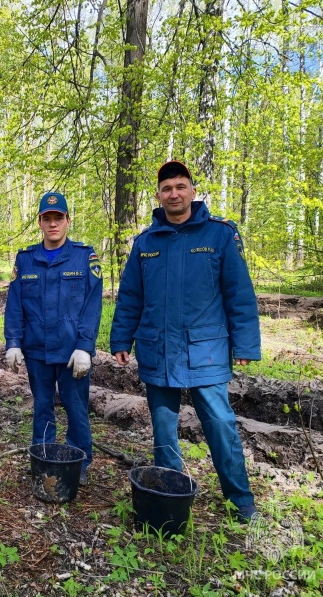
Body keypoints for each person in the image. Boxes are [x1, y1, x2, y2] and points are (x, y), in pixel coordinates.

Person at [110, 160, 261, 521]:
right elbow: (131, 296)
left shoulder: (220, 235)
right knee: (164, 430)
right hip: (157, 350)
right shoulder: (146, 242)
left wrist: (244, 345)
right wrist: (121, 339)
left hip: (205, 351)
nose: (174, 194)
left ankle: (241, 502)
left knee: (221, 425)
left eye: (180, 186)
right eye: (166, 188)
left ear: (192, 190)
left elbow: (239, 293)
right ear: (159, 195)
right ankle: (169, 496)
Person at [4, 192, 103, 484]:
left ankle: (79, 462)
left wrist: (86, 346)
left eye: (58, 218)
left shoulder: (84, 256)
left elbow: (92, 306)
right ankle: (44, 456)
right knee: (42, 406)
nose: (53, 224)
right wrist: (13, 342)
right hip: (37, 351)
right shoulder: (26, 259)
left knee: (76, 408)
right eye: (47, 218)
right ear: (40, 222)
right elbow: (15, 305)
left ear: (67, 221)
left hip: (72, 351)